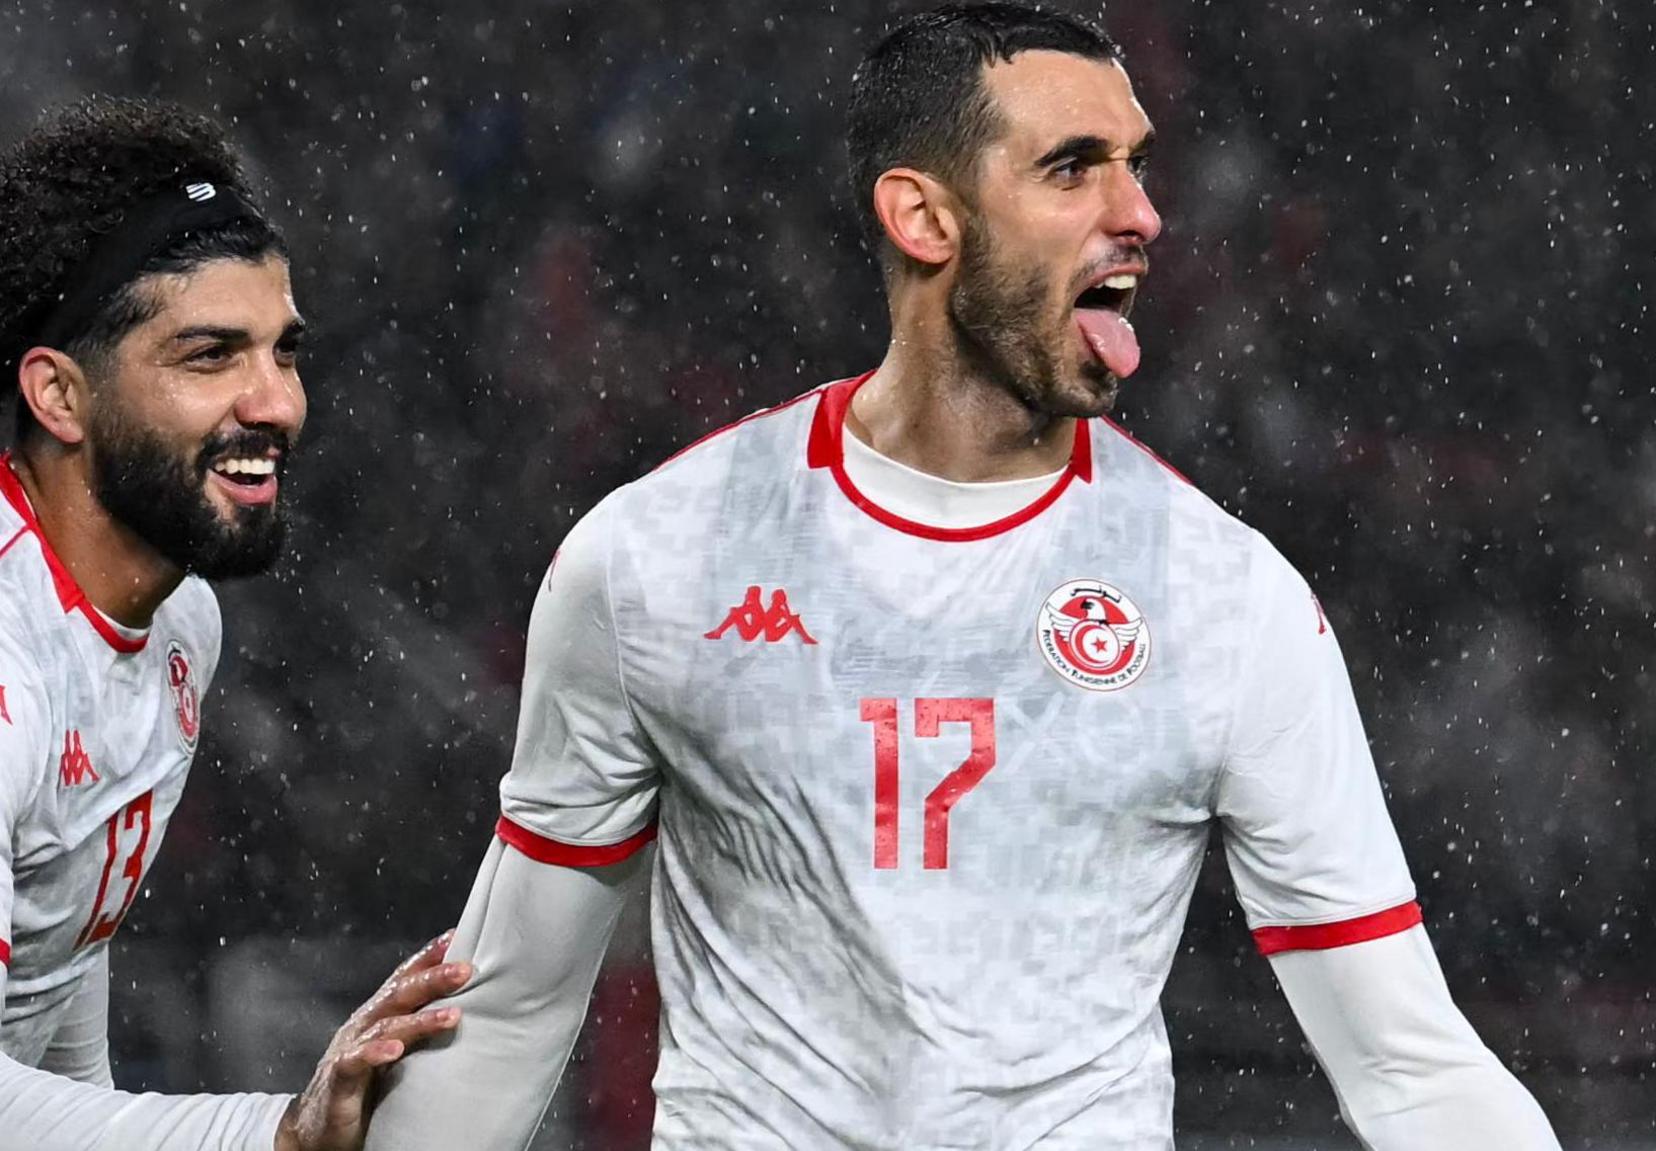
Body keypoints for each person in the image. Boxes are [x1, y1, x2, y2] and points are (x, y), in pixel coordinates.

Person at [367, 5, 1562, 1148]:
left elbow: (1407, 1061)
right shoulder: (654, 558)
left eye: (1137, 165)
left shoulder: (1225, 596)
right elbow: (512, 1011)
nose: (1138, 212)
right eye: (1072, 167)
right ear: (923, 218)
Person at [0, 96, 469, 1150]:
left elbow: (53, 996)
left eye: (283, 351)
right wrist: (279, 1133)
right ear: (60, 397)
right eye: (211, 355)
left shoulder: (179, 626)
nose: (278, 403)